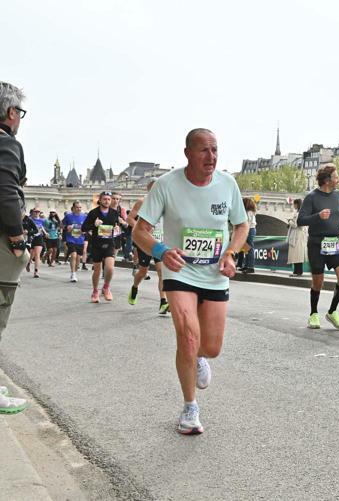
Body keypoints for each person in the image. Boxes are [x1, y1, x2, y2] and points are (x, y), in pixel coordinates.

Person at [133, 128, 248, 435]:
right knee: (186, 335)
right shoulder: (166, 185)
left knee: (211, 347)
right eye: (203, 150)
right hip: (179, 270)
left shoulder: (227, 184)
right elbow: (139, 231)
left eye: (215, 150)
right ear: (187, 153)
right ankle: (190, 407)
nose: (211, 157)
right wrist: (161, 251)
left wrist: (231, 253)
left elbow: (241, 225)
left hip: (214, 274)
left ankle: (198, 357)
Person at [0, 81, 30, 414]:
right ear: (11, 112)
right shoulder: (7, 143)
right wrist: (18, 240)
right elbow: (6, 192)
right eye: (20, 112)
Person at [297, 163, 339, 330]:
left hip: (334, 242)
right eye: (336, 177)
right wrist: (318, 216)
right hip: (316, 243)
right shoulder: (312, 197)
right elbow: (300, 220)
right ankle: (313, 314)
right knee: (318, 282)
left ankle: (332, 311)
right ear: (327, 180)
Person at [127, 180, 169, 314]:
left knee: (161, 272)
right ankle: (135, 287)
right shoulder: (142, 202)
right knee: (143, 272)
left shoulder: (167, 202)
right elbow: (129, 219)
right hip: (145, 241)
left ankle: (163, 302)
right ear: (149, 190)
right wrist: (141, 229)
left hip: (160, 241)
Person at [82, 191, 123, 302]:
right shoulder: (93, 213)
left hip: (109, 243)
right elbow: (83, 228)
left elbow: (117, 225)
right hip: (97, 244)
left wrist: (117, 229)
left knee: (110, 268)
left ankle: (106, 287)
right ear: (99, 200)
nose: (107, 201)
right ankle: (95, 291)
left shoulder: (114, 213)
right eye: (104, 199)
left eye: (109, 199)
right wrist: (94, 225)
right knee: (97, 270)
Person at [62, 201, 86, 283]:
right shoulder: (68, 216)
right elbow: (61, 225)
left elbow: (87, 227)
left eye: (80, 207)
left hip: (80, 240)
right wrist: (67, 227)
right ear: (73, 208)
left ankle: (75, 271)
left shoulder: (84, 216)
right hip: (70, 239)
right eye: (77, 207)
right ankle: (73, 273)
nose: (79, 209)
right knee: (73, 255)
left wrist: (85, 230)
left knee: (78, 259)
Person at [286, 198, 307, 277]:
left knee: (297, 254)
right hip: (299, 236)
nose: (293, 205)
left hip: (297, 236)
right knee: (297, 254)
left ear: (297, 204)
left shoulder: (298, 214)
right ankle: (296, 271)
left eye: (294, 204)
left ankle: (298, 271)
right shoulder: (302, 213)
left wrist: (289, 221)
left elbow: (295, 224)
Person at [238, 198, 257, 273]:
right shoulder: (250, 211)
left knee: (249, 248)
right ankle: (246, 265)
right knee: (246, 249)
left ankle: (250, 267)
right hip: (249, 229)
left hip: (249, 230)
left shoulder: (249, 212)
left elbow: (248, 222)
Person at [27, 208, 46, 278]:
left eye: (38, 212)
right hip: (32, 238)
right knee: (32, 254)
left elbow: (42, 227)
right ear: (32, 212)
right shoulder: (29, 220)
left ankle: (36, 271)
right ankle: (28, 262)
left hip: (39, 238)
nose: (37, 213)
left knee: (37, 254)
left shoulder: (42, 220)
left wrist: (45, 233)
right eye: (35, 211)